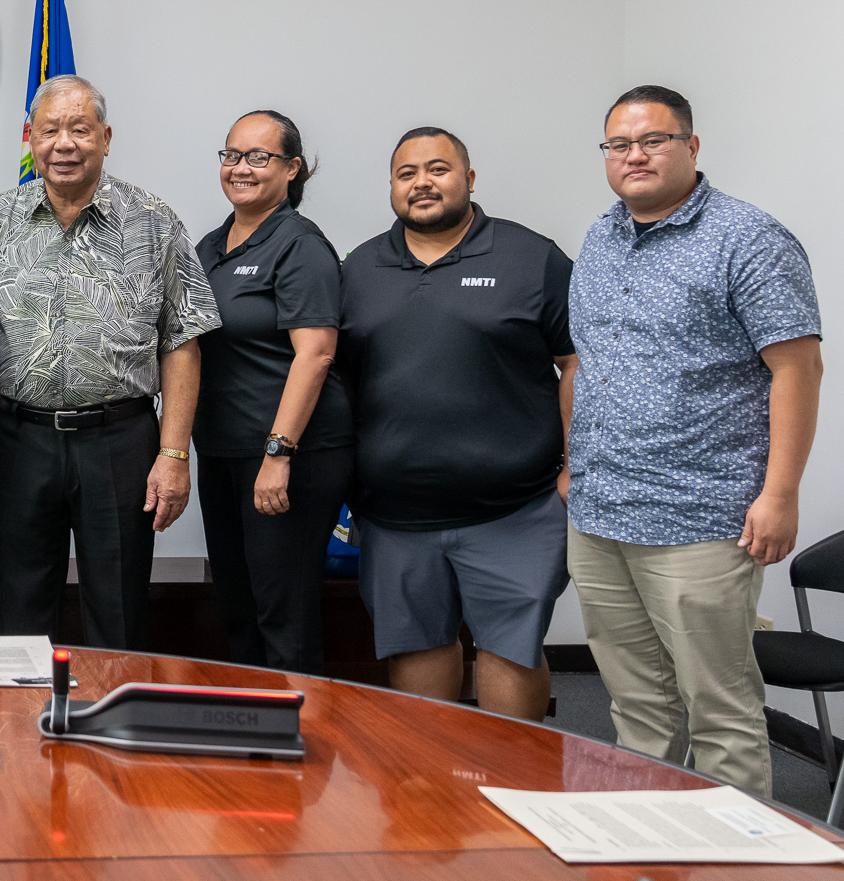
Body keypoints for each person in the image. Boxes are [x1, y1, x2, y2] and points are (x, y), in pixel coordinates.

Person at [568, 85, 821, 796]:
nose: (635, 155)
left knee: (722, 711)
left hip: (700, 516)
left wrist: (780, 493)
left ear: (692, 146)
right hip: (602, 512)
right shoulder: (601, 235)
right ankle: (648, 850)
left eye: (654, 140)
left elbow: (798, 368)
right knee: (638, 707)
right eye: (619, 144)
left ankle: (736, 862)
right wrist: (573, 464)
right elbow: (589, 363)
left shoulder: (748, 238)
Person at [0, 75, 220, 650]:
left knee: (120, 603)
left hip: (120, 440)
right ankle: (19, 734)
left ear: (106, 137)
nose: (64, 143)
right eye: (49, 130)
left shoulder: (153, 222)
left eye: (80, 129)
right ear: (29, 138)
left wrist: (174, 454)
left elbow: (182, 342)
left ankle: (115, 734)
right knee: (19, 606)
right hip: (17, 439)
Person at [338, 127, 576, 721]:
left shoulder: (532, 257)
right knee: (416, 648)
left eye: (438, 169)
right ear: (391, 187)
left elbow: (577, 360)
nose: (422, 183)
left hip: (515, 510)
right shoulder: (358, 268)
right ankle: (432, 800)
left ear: (469, 180)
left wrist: (576, 468)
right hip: (394, 515)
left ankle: (512, 793)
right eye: (406, 173)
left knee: (511, 651)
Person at [192, 111, 354, 674]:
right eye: (232, 155)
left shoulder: (300, 245)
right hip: (223, 451)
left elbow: (316, 354)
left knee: (283, 611)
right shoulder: (211, 246)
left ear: (292, 169)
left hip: (290, 455)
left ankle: (300, 739)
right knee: (238, 605)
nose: (241, 168)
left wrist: (278, 453)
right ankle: (253, 736)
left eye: (259, 157)